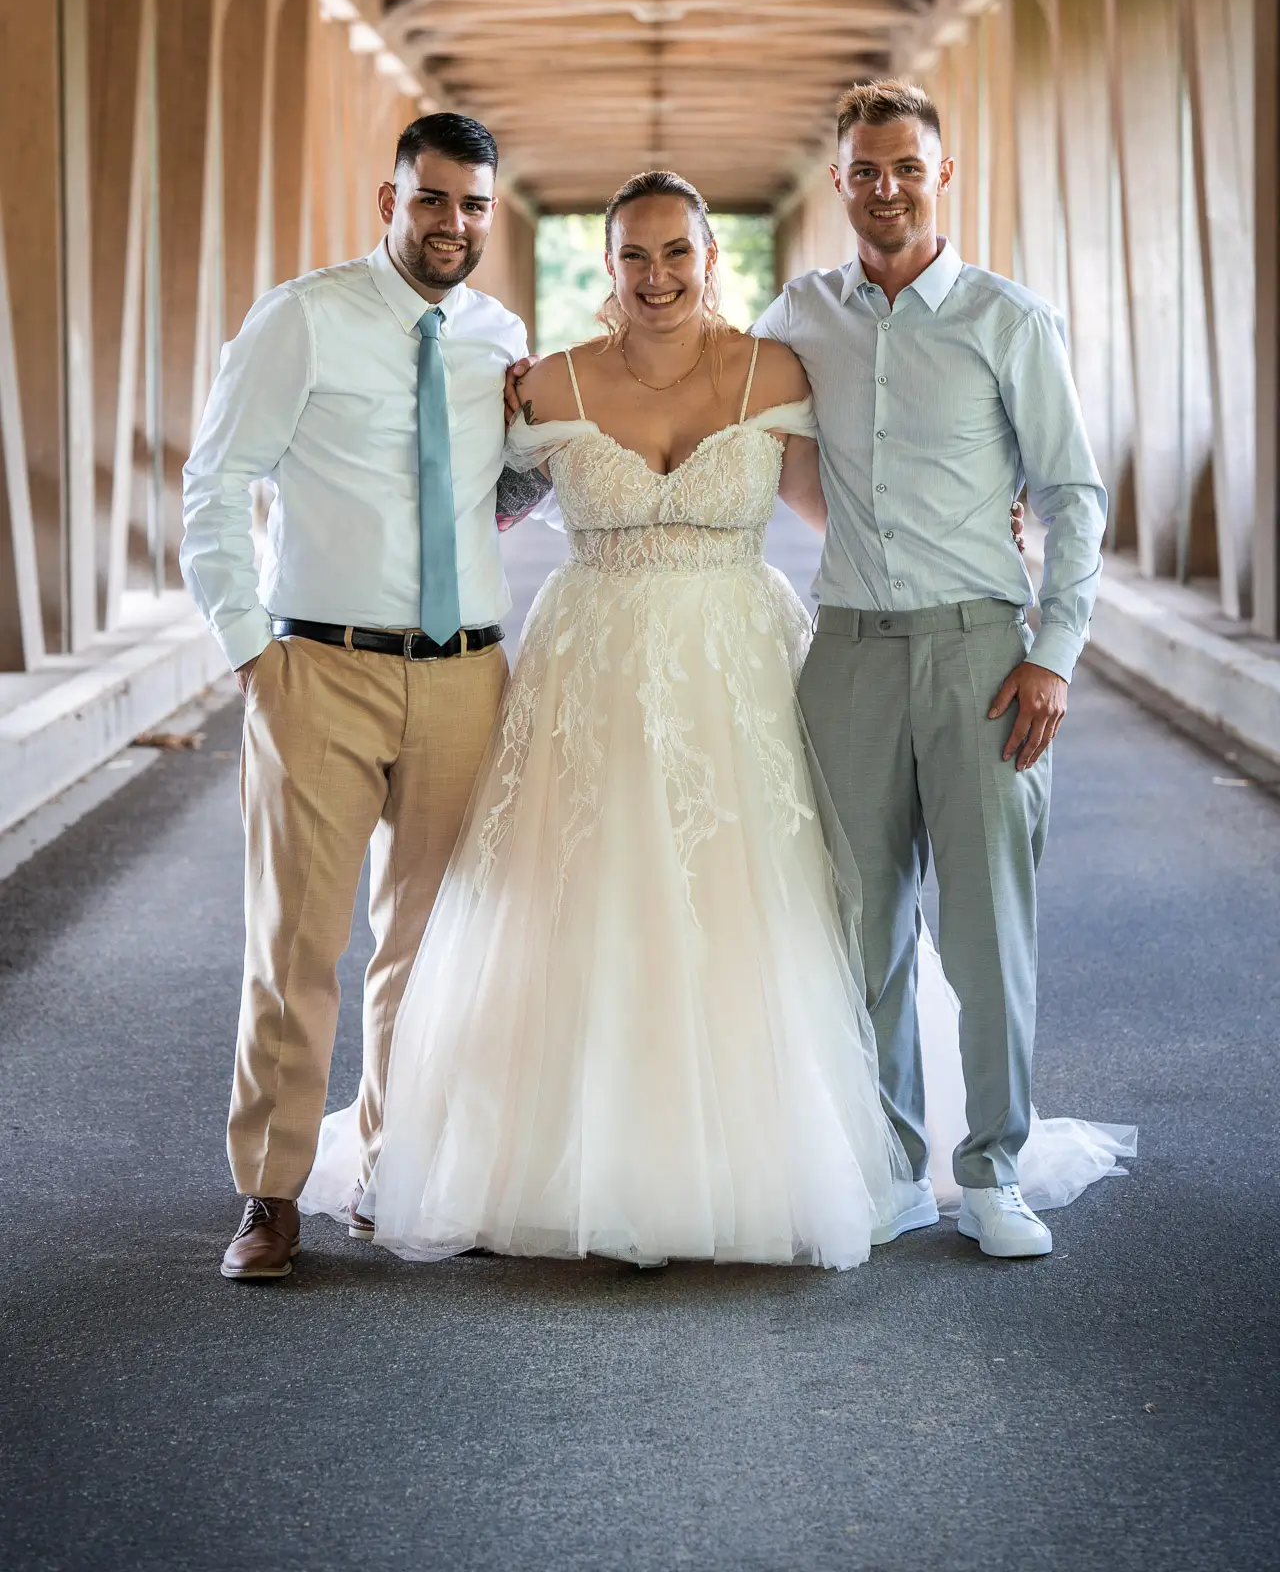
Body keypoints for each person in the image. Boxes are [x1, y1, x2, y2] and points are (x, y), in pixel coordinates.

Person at [301, 168, 1132, 1268]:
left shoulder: (778, 365)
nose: (657, 276)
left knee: (766, 904)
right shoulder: (544, 384)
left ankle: (871, 1157)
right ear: (606, 269)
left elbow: (846, 496)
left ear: (710, 257)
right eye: (634, 256)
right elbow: (478, 503)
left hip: (736, 664)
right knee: (587, 902)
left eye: (677, 252)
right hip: (590, 672)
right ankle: (564, 1162)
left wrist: (989, 525)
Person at [754, 78, 1121, 1257]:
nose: (885, 189)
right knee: (856, 932)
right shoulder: (796, 315)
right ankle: (888, 1165)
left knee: (984, 930)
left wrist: (1052, 654)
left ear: (940, 175)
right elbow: (730, 415)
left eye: (905, 167)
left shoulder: (1006, 319)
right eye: (864, 170)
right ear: (836, 182)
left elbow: (1072, 496)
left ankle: (993, 1169)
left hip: (981, 657)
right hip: (847, 653)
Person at [181, 112, 545, 1281]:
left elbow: (496, 494)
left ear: (491, 213)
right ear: (388, 201)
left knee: (432, 949)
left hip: (465, 674)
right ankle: (270, 1191)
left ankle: (394, 1169)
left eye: (472, 204)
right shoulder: (302, 318)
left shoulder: (497, 334)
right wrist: (255, 656)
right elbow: (214, 483)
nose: (452, 223)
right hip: (320, 672)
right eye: (430, 199)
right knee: (296, 943)